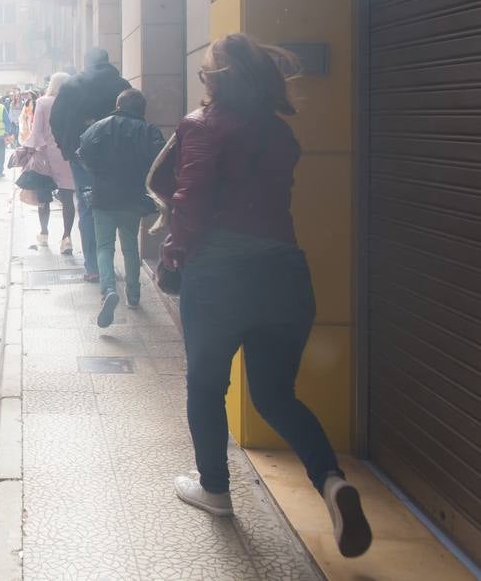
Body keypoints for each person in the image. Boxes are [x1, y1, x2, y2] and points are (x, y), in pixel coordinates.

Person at [149, 34, 372, 558]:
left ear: (214, 78)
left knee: (206, 386)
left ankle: (215, 489)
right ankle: (331, 481)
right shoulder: (279, 133)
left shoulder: (201, 126)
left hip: (220, 279)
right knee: (276, 395)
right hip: (286, 278)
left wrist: (171, 258)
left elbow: (191, 198)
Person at [78, 89, 165, 327]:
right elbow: (161, 161)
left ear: (118, 104)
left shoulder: (100, 126)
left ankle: (108, 290)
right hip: (132, 196)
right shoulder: (148, 131)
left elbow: (82, 152)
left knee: (104, 247)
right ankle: (134, 295)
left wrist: (97, 174)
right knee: (129, 247)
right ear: (141, 108)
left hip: (103, 196)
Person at [50, 48, 131, 283]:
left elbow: (56, 119)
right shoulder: (122, 85)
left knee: (86, 206)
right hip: (116, 156)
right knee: (114, 203)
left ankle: (93, 266)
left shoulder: (72, 86)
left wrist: (66, 146)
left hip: (80, 153)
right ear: (108, 61)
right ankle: (111, 263)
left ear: (86, 62)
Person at [22, 73, 76, 253]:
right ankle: (67, 237)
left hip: (45, 154)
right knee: (67, 197)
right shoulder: (73, 102)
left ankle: (44, 233)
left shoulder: (43, 102)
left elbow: (36, 131)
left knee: (43, 196)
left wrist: (31, 148)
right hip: (66, 154)